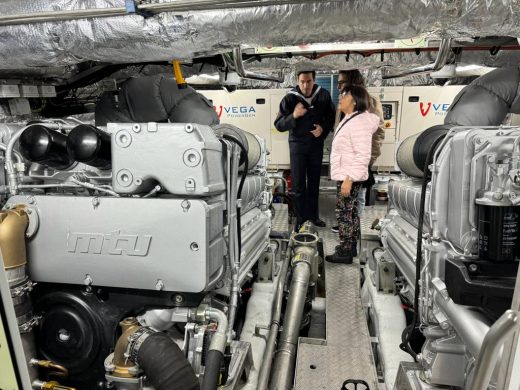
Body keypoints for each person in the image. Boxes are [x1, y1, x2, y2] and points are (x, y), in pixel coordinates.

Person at [274, 70, 336, 229]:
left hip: (315, 145)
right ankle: (300, 219)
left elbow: (331, 117)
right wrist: (293, 115)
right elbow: (279, 124)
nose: (305, 85)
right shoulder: (290, 98)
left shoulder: (323, 95)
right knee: (298, 184)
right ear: (297, 80)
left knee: (314, 183)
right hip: (297, 146)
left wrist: (323, 128)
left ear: (314, 80)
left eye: (308, 81)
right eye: (302, 81)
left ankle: (314, 216)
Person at [326, 85, 380, 263]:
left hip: (349, 176)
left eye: (345, 95)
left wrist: (349, 179)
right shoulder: (351, 118)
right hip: (347, 174)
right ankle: (349, 247)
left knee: (344, 213)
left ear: (355, 100)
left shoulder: (359, 122)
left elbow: (363, 154)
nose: (340, 97)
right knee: (350, 212)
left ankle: (346, 251)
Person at [331, 70, 385, 233]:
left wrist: (366, 162)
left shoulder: (368, 102)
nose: (338, 86)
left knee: (356, 200)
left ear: (353, 82)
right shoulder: (345, 102)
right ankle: (348, 229)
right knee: (347, 204)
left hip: (358, 161)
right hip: (345, 162)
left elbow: (377, 134)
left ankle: (353, 231)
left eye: (342, 82)